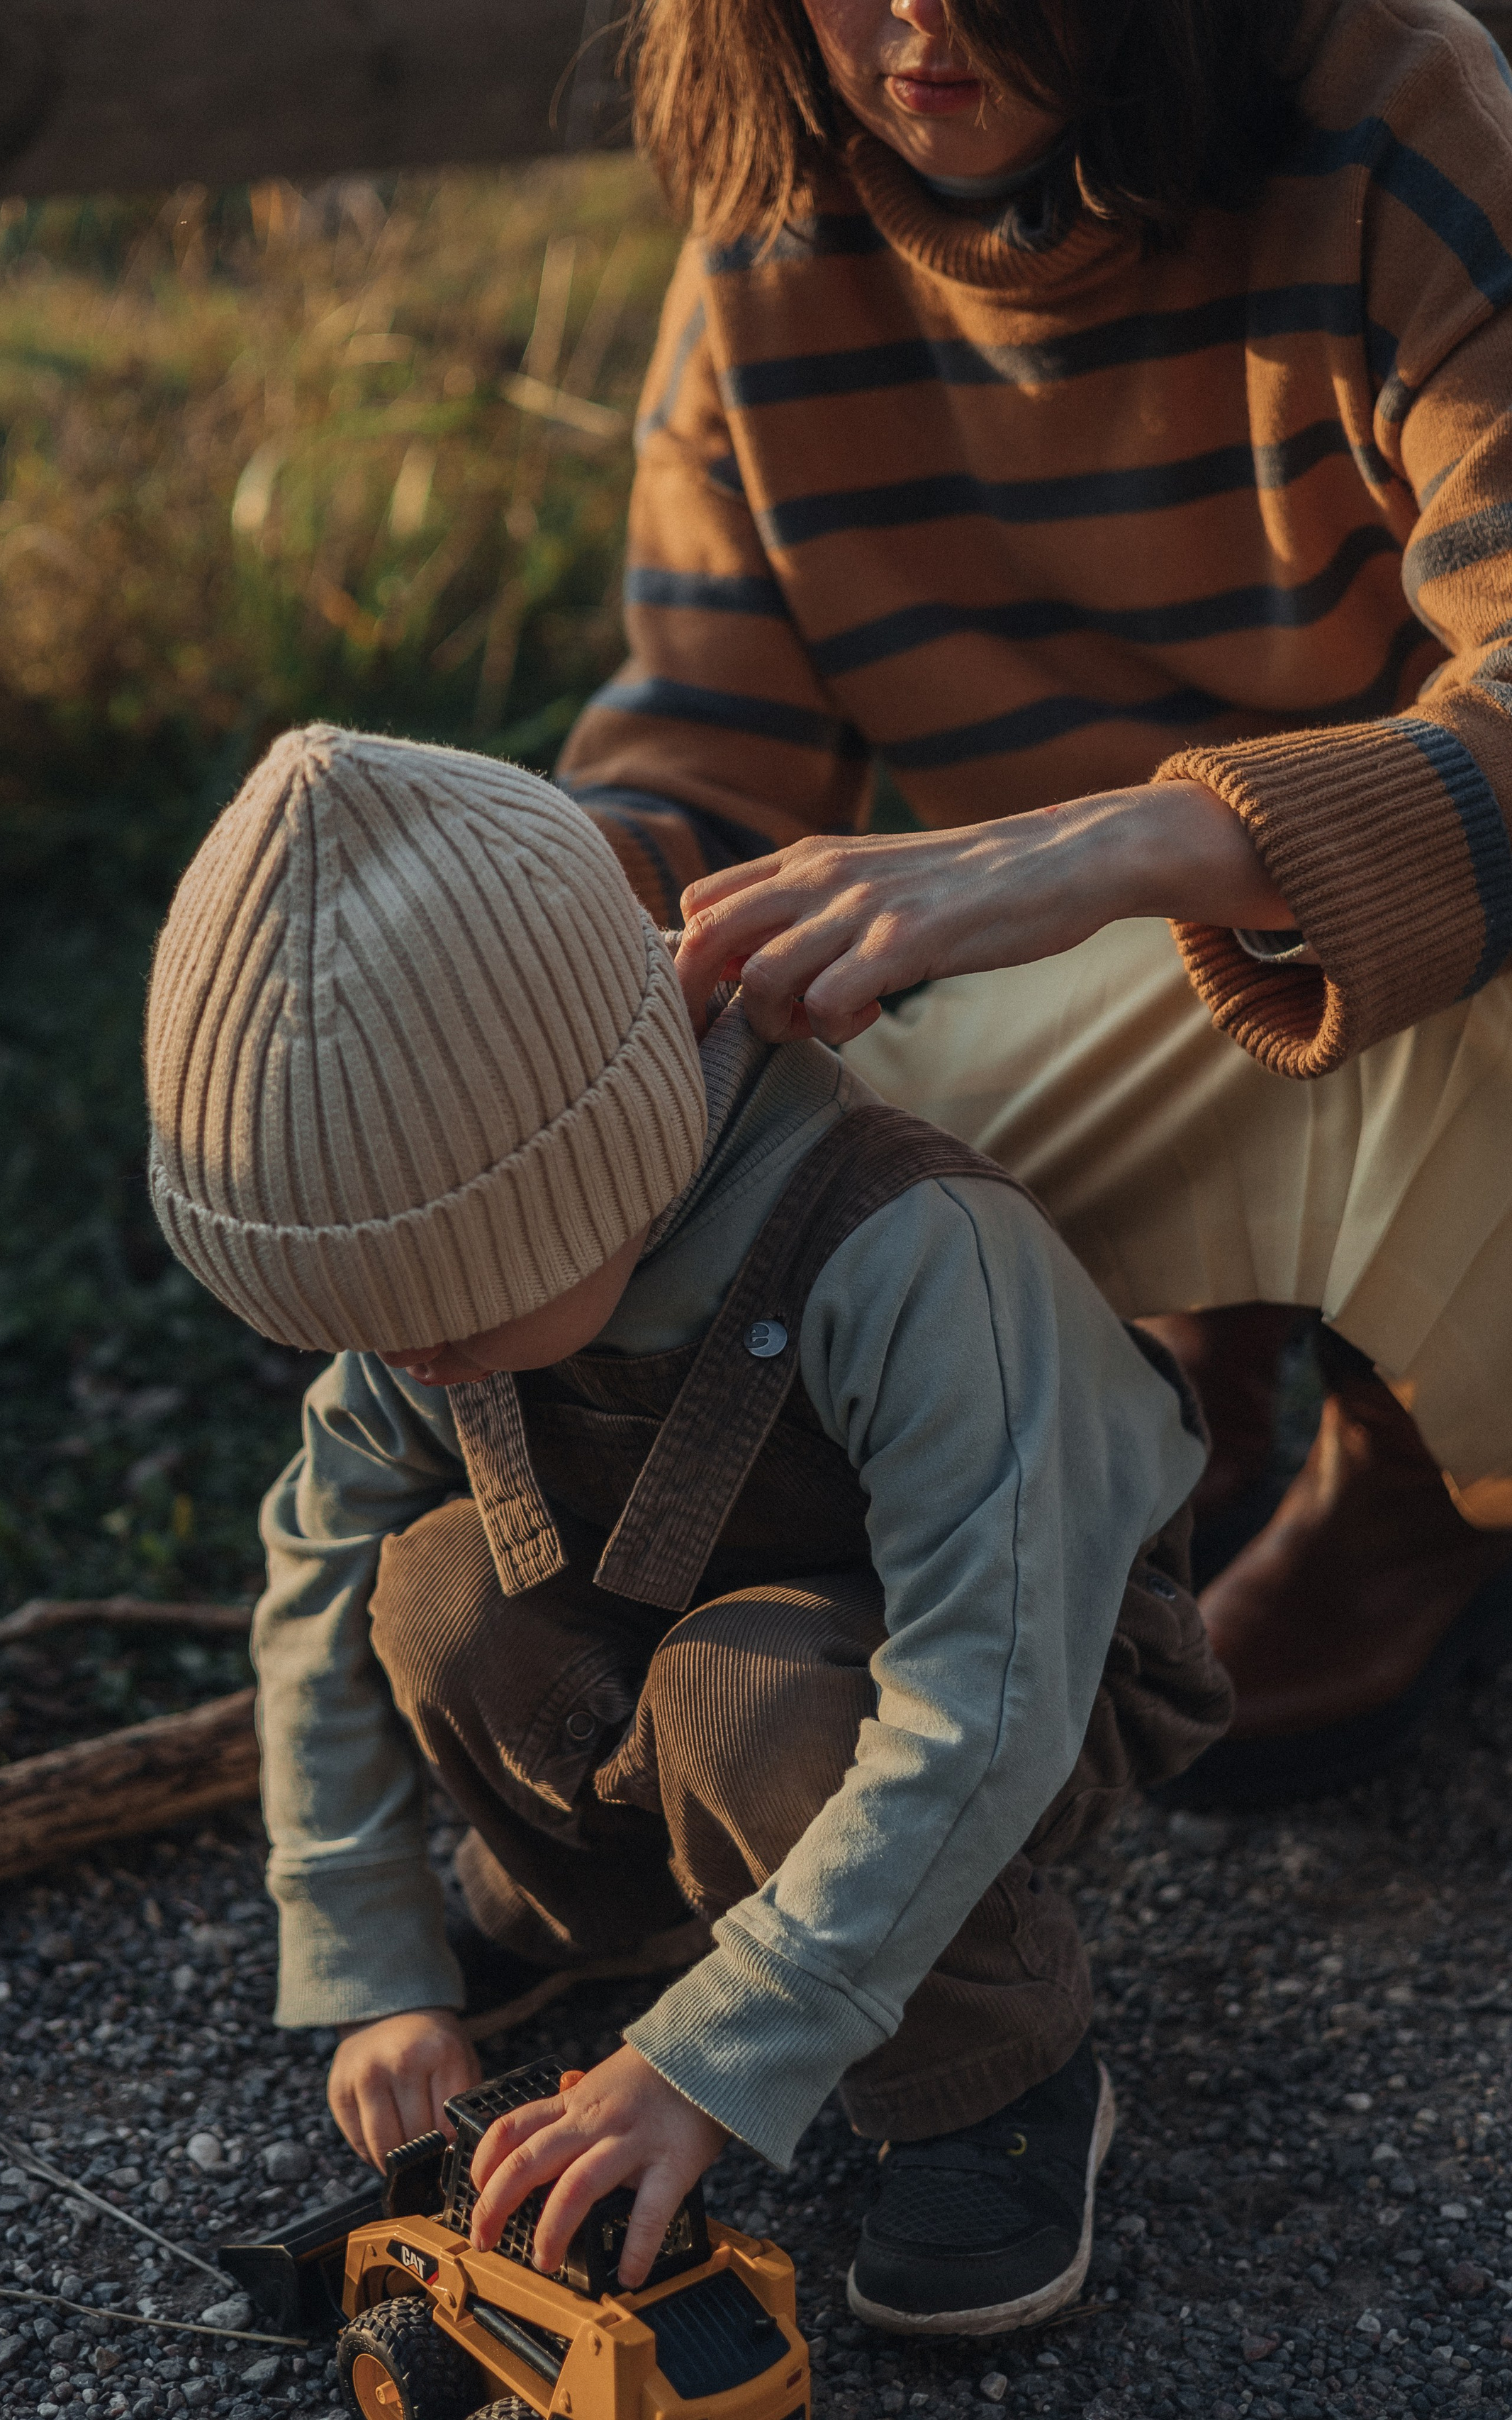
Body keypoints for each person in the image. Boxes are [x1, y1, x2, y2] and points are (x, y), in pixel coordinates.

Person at [143, 723, 1229, 2336]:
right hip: (689, 1626)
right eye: (367, 1331)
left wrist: (712, 2060)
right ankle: (628, 1902)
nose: (410, 1362)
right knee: (430, 1584)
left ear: (606, 1163)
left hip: (1019, 1682)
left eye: (449, 1312)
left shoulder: (912, 1258)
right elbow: (317, 1578)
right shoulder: (446, 1301)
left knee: (750, 1697)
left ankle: (985, 2066)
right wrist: (371, 1956)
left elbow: (985, 1692)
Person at [555, 0, 1512, 1805]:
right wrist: (523, 898)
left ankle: (1417, 1473)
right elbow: (708, 749)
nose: (915, 15)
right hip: (1084, 974)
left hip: (1436, 976)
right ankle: (1164, 1386)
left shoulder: (1396, 114)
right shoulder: (773, 227)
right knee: (741, 1236)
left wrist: (1108, 845)